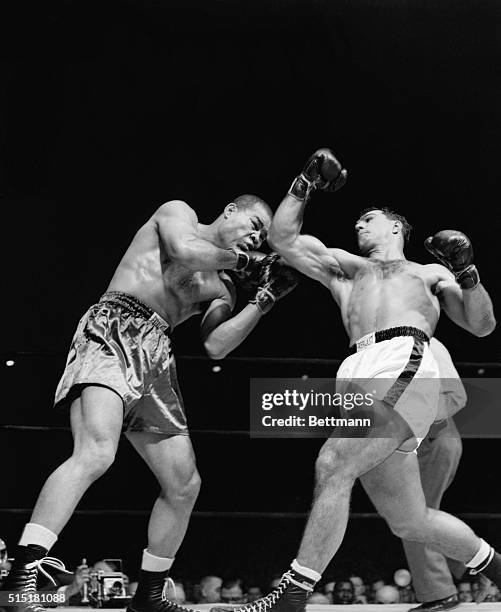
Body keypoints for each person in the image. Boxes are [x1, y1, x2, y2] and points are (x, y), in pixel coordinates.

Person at [212, 149, 497, 612]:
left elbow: (482, 325)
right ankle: (495, 566)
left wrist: (467, 273)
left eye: (368, 219)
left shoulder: (428, 273)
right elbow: (285, 239)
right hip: (359, 373)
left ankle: (292, 596)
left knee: (332, 464)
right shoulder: (345, 269)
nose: (359, 226)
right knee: (409, 520)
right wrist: (305, 182)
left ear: (396, 227)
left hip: (406, 359)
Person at [2, 195, 299, 612]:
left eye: (263, 238)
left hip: (157, 355)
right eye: (254, 225)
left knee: (184, 485)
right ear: (230, 209)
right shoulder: (180, 215)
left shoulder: (223, 284)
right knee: (96, 453)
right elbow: (184, 252)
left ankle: (149, 594)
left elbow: (216, 344)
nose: (255, 238)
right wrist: (249, 263)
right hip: (115, 325)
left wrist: (264, 300)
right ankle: (21, 576)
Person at [402, 337, 465, 611]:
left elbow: (457, 396)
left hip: (435, 437)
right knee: (421, 515)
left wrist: (420, 419)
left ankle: (439, 594)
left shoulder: (430, 344)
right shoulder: (388, 342)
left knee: (413, 517)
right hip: (413, 439)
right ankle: (472, 567)